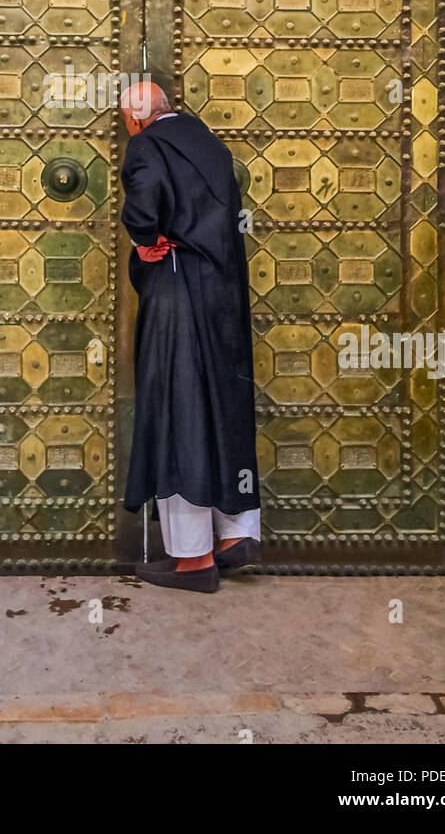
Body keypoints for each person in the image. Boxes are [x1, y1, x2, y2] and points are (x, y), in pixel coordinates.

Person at [119, 81, 260, 592]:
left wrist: (145, 237)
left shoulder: (148, 144)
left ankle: (193, 560)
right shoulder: (209, 143)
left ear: (136, 119)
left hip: (177, 289)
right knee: (222, 403)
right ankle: (235, 534)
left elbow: (146, 199)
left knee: (179, 410)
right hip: (223, 290)